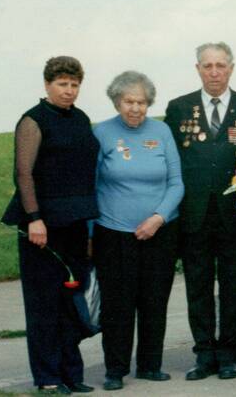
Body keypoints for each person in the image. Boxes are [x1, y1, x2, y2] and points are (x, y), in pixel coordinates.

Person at [1, 56, 99, 394]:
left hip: (76, 221)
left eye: (74, 85)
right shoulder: (33, 120)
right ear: (47, 85)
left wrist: (89, 227)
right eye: (62, 84)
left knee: (72, 301)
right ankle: (47, 377)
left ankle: (72, 374)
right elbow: (23, 173)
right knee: (44, 303)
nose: (69, 91)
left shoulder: (82, 118)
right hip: (42, 225)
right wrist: (34, 219)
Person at [164, 43, 236, 381]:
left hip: (234, 213)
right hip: (195, 215)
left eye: (221, 65)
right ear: (198, 69)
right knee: (198, 285)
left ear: (232, 68)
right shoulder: (178, 108)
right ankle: (204, 353)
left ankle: (230, 353)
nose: (215, 72)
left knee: (233, 285)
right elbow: (171, 162)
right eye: (208, 66)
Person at [92, 71, 184, 391]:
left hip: (159, 232)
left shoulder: (162, 131)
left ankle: (149, 365)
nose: (135, 108)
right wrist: (91, 234)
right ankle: (115, 369)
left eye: (142, 102)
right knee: (118, 305)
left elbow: (176, 183)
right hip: (113, 234)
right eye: (129, 101)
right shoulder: (101, 133)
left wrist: (158, 217)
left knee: (154, 300)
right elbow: (91, 186)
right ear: (117, 102)